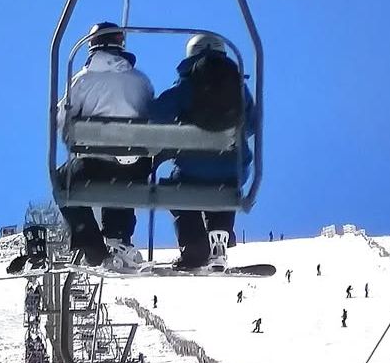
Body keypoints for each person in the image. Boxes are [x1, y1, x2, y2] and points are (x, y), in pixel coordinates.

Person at [149, 34, 254, 270]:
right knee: (225, 189)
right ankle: (220, 236)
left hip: (190, 170)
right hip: (232, 172)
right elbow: (253, 124)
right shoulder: (239, 87)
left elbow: (158, 113)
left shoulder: (187, 85)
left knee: (177, 190)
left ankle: (194, 248)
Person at [57, 22, 154, 268]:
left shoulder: (82, 81)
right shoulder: (141, 81)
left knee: (62, 181)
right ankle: (119, 238)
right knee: (124, 170)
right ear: (120, 43)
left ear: (92, 46)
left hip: (95, 168)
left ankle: (94, 249)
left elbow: (60, 119)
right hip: (136, 171)